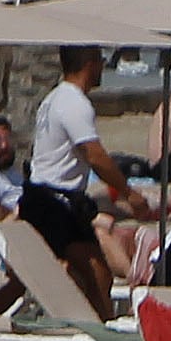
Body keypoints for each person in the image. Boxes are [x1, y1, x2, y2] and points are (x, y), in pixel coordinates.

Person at [22, 46, 132, 318]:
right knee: (97, 271)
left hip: (44, 197)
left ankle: (96, 323)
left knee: (29, 277)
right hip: (55, 201)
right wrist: (129, 192)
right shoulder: (75, 103)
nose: (103, 68)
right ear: (90, 63)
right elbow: (94, 155)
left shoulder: (54, 98)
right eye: (101, 62)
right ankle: (102, 327)